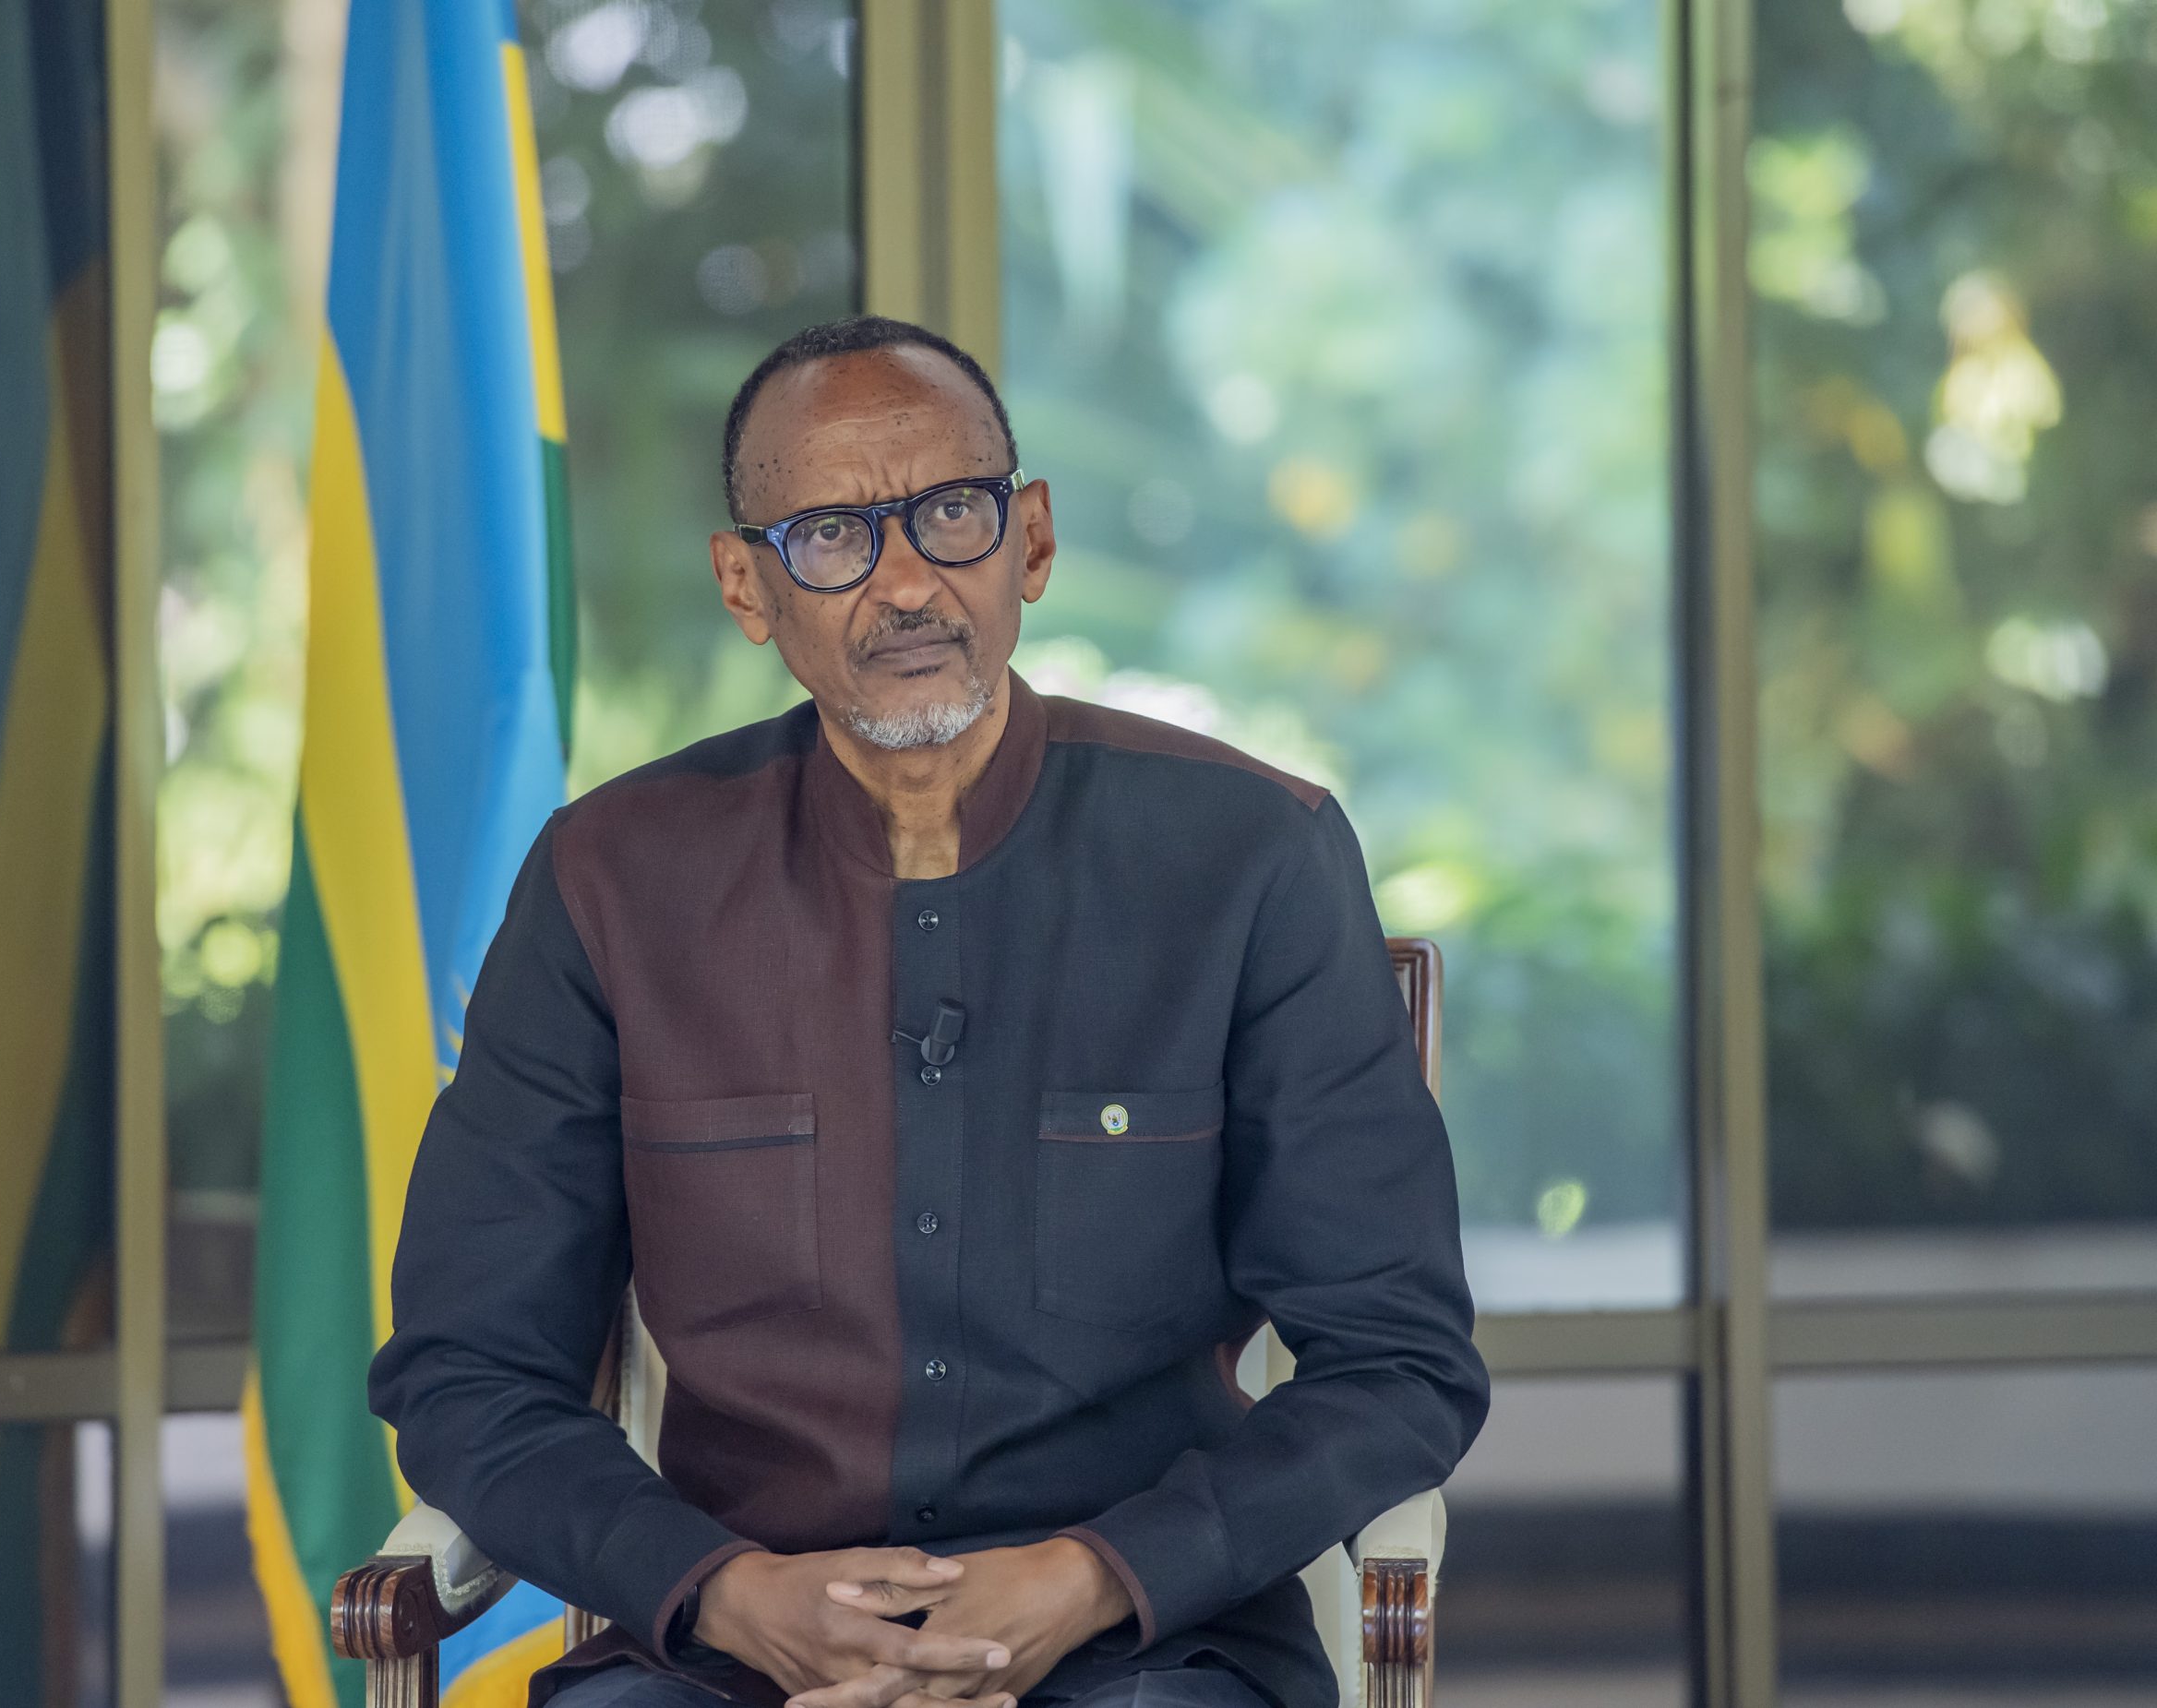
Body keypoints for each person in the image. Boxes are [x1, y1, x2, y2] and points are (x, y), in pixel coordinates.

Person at [368, 316, 1489, 1708]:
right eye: (831, 537)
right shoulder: (612, 880)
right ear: (745, 585)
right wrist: (724, 1590)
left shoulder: (1251, 858)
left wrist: (1094, 1576)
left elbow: (1399, 1362)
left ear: (1032, 540)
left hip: (1148, 1648)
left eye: (952, 513)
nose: (905, 583)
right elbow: (468, 1369)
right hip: (734, 1651)